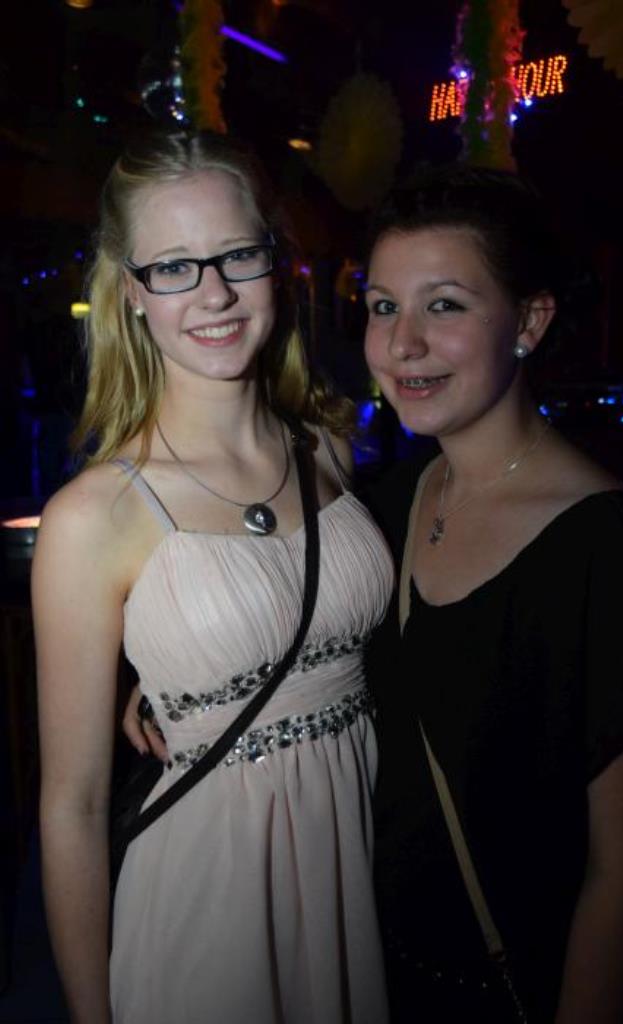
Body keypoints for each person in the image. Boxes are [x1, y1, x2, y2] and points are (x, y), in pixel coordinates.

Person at [33, 129, 393, 1024]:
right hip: (206, 906)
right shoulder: (94, 516)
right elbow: (73, 805)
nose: (215, 292)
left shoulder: (330, 449)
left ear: (276, 261)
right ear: (129, 292)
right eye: (174, 267)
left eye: (237, 254)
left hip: (360, 877)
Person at [361, 167, 623, 1022]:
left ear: (529, 323)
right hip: (372, 979)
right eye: (383, 307)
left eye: (444, 305)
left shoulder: (606, 547)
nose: (402, 344)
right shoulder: (388, 503)